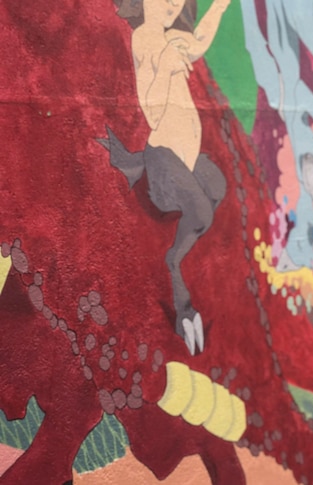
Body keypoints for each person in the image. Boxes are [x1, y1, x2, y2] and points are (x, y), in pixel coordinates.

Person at [101, 0, 231, 355]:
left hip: (185, 160)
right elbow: (153, 108)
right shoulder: (145, 38)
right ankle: (174, 267)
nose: (176, 3)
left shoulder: (171, 38)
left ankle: (138, 166)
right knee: (201, 214)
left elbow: (199, 41)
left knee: (217, 187)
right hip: (166, 162)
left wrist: (218, 8)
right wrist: (166, 70)